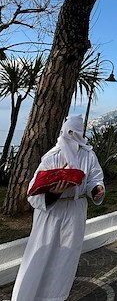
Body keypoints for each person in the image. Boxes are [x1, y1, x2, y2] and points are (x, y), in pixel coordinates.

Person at [12, 114, 105, 301]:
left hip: (74, 211)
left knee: (66, 258)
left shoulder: (89, 156)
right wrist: (54, 193)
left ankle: (55, 298)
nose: (71, 136)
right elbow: (33, 192)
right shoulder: (51, 157)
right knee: (40, 255)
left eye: (75, 132)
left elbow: (94, 178)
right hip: (51, 213)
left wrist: (97, 189)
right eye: (68, 132)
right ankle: (26, 296)